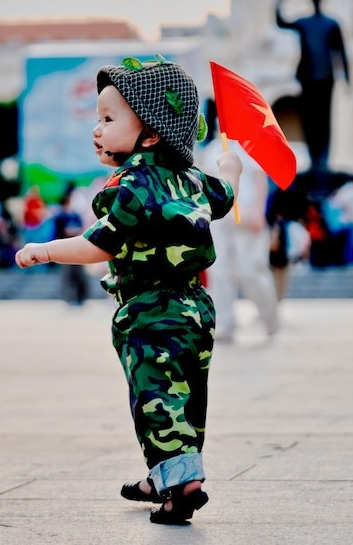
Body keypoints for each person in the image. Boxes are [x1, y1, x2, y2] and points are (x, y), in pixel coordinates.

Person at [15, 58, 242, 525]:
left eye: (108, 119)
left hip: (148, 310)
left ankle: (181, 486)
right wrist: (232, 166)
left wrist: (45, 250)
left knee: (154, 397)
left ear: (152, 133)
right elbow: (226, 197)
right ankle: (166, 473)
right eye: (98, 118)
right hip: (198, 310)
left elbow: (97, 245)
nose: (96, 129)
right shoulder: (194, 179)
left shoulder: (132, 185)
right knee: (187, 395)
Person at [201, 129, 279, 343]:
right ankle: (225, 323)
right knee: (220, 271)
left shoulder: (250, 146)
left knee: (251, 270)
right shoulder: (212, 150)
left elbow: (259, 179)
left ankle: (270, 317)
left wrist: (259, 212)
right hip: (220, 216)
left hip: (247, 214)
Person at [276, 0, 350, 173]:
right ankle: (313, 159)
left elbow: (340, 52)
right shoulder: (305, 22)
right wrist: (278, 2)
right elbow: (281, 22)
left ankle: (323, 160)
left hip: (326, 79)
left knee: (324, 120)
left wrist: (347, 76)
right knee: (309, 120)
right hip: (308, 78)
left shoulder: (331, 24)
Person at [52, 184, 88, 305]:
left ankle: (81, 298)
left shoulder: (75, 215)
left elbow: (82, 228)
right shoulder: (60, 215)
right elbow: (57, 231)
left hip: (77, 246)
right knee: (68, 275)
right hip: (65, 246)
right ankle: (68, 298)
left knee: (79, 274)